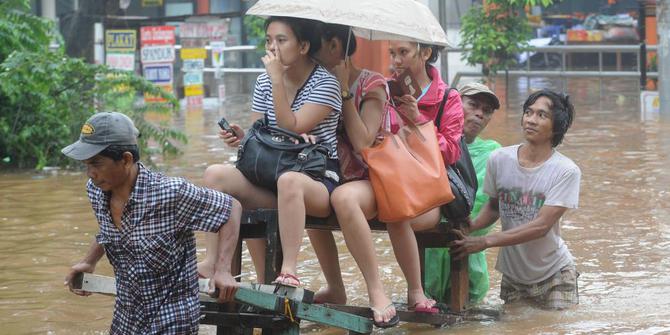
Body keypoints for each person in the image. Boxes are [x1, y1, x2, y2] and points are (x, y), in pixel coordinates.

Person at [62, 112, 242, 334]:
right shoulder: (97, 191)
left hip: (172, 316)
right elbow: (109, 231)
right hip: (127, 316)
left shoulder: (170, 193)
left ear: (126, 160)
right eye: (86, 165)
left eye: (96, 164)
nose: (90, 174)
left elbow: (231, 208)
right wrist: (89, 262)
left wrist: (222, 269)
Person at [197, 16, 342, 288]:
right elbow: (260, 133)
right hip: (271, 175)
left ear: (303, 46)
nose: (272, 47)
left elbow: (292, 125)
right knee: (214, 175)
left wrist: (277, 80)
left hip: (315, 180)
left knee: (289, 181)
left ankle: (289, 269)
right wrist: (243, 138)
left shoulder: (325, 83)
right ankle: (213, 261)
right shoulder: (265, 81)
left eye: (281, 40)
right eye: (268, 41)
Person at [450, 90, 580, 310]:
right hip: (513, 277)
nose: (531, 119)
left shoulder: (566, 171)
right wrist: (469, 227)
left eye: (541, 115)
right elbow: (493, 208)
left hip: (555, 275)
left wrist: (485, 241)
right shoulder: (500, 158)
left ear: (556, 126)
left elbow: (541, 226)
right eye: (528, 112)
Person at [306, 22, 399, 327]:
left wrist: (343, 89)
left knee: (345, 199)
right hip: (331, 174)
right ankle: (335, 286)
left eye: (314, 45)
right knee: (300, 186)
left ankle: (376, 291)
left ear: (334, 46)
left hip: (371, 179)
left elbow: (363, 143)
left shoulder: (372, 84)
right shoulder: (313, 80)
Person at [383, 41, 464, 313]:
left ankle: (415, 292)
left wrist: (418, 120)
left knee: (398, 215)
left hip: (429, 192)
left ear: (426, 53)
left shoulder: (448, 97)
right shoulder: (384, 90)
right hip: (390, 180)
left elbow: (451, 152)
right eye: (392, 52)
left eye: (403, 52)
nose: (396, 60)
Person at [424, 82, 501, 304]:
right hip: (427, 259)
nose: (479, 114)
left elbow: (485, 206)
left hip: (468, 260)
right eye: (473, 105)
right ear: (454, 104)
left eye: (486, 111)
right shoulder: (431, 142)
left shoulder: (492, 153)